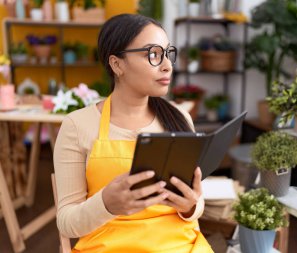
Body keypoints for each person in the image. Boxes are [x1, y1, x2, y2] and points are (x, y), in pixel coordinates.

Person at [53, 14, 214, 253]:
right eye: (153, 55)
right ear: (117, 64)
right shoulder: (77, 126)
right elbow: (66, 224)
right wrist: (106, 204)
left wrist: (191, 206)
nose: (167, 65)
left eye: (168, 53)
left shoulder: (179, 119)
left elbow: (196, 201)